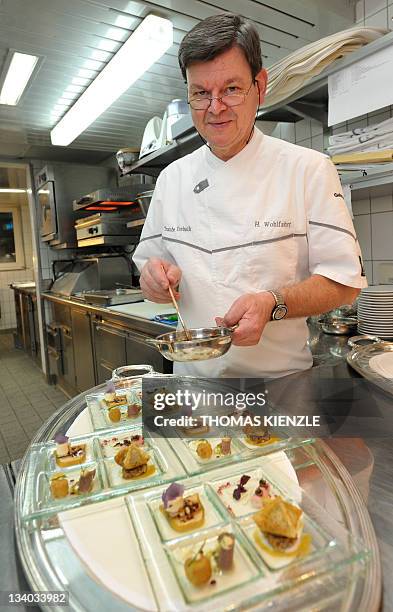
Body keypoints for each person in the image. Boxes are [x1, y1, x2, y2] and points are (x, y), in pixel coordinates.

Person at [133, 13, 366, 378]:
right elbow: (150, 270)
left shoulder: (308, 169)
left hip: (281, 386)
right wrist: (154, 281)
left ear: (260, 86)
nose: (215, 107)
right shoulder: (171, 179)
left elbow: (344, 283)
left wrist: (273, 303)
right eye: (200, 93)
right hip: (192, 386)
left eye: (231, 88)